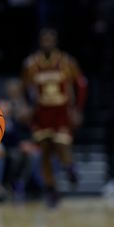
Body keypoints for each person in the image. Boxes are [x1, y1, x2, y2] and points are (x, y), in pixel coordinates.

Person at [21, 28, 87, 207]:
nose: (47, 42)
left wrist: (78, 109)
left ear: (55, 41)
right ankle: (51, 189)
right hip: (41, 112)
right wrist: (26, 108)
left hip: (61, 112)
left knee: (61, 144)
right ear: (40, 41)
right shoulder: (32, 64)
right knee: (44, 152)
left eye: (50, 39)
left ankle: (69, 167)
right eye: (44, 39)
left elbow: (81, 85)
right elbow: (24, 88)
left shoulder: (66, 62)